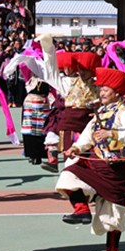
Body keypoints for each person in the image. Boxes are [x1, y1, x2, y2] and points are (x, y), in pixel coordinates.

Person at [55, 68, 125, 251]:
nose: (101, 92)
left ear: (117, 93)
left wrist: (112, 134)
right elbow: (88, 134)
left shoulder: (124, 113)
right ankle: (81, 209)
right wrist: (76, 147)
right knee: (69, 175)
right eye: (101, 89)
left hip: (117, 169)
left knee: (113, 217)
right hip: (97, 162)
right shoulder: (100, 112)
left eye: (106, 90)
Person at [38, 36, 101, 173]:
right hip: (70, 126)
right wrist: (48, 47)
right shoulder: (68, 82)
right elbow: (51, 73)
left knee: (89, 161)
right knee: (70, 161)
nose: (82, 72)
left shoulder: (99, 86)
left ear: (92, 69)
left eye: (85, 69)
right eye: (80, 69)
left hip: (89, 127)